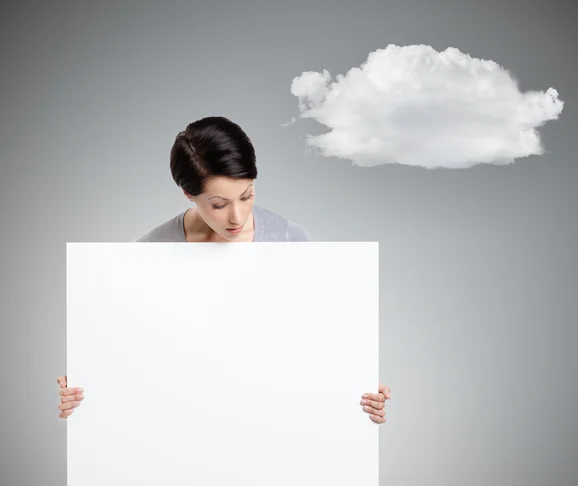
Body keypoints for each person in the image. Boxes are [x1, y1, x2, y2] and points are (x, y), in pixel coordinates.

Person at [57, 116, 390, 423]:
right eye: (218, 204)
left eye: (247, 196)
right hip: (185, 435)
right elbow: (129, 364)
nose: (237, 216)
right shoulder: (147, 257)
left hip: (275, 430)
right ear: (189, 194)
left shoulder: (290, 240)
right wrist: (86, 392)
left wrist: (357, 389)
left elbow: (321, 346)